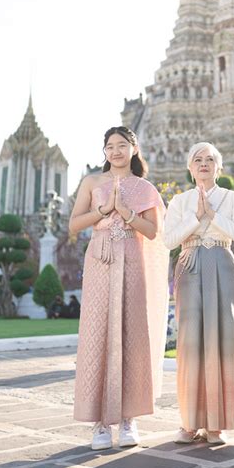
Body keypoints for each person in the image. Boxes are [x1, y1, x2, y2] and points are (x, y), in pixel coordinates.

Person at [70, 126, 169, 450]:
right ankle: (100, 422)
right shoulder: (92, 183)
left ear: (134, 149)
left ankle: (129, 418)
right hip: (100, 259)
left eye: (122, 145)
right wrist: (103, 210)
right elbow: (74, 225)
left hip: (131, 258)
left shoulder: (144, 188)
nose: (115, 152)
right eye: (110, 146)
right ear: (104, 152)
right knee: (98, 333)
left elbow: (153, 232)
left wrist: (126, 213)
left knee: (131, 334)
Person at [163, 142, 234, 445]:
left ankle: (216, 424)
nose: (203, 164)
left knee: (221, 340)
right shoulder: (179, 201)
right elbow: (168, 240)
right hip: (189, 263)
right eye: (197, 159)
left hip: (223, 262)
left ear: (218, 166)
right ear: (190, 167)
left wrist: (212, 216)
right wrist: (194, 218)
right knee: (189, 343)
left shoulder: (233, 198)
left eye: (210, 159)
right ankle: (190, 422)